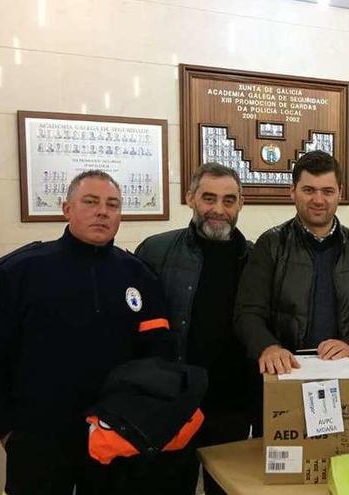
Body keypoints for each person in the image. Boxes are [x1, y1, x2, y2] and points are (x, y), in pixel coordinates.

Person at [0, 170, 175, 495]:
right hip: (39, 437)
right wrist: (1, 429)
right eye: (90, 202)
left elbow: (157, 356)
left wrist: (145, 424)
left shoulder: (138, 275)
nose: (102, 212)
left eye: (112, 205)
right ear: (67, 209)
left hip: (114, 436)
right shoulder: (20, 271)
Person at [135, 162, 254, 495]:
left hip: (231, 403)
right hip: (173, 401)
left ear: (241, 204)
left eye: (229, 200)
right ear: (190, 198)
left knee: (225, 488)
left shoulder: (255, 258)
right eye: (209, 198)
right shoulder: (155, 251)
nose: (218, 209)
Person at [235, 150, 349, 374]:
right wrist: (267, 346)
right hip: (286, 369)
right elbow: (247, 312)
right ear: (293, 192)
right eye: (309, 190)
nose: (318, 200)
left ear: (340, 193)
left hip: (345, 369)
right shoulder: (270, 244)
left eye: (327, 191)